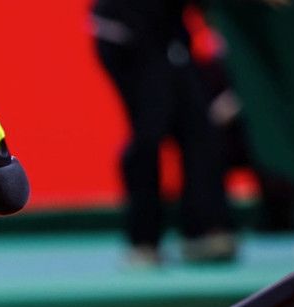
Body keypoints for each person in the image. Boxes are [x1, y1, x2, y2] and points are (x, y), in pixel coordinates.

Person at [91, 0, 236, 265]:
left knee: (199, 128)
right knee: (149, 131)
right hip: (125, 34)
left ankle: (203, 231)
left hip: (168, 36)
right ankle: (143, 241)